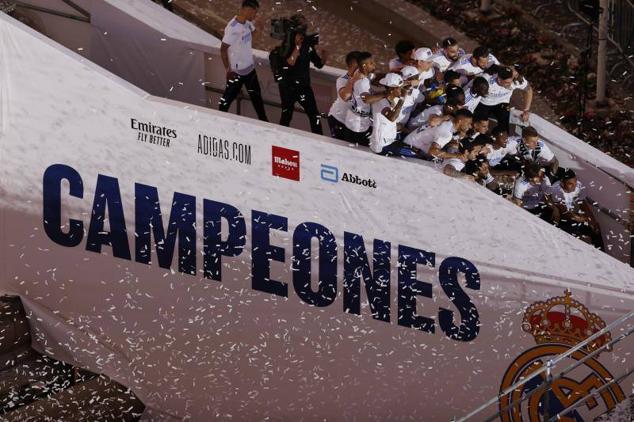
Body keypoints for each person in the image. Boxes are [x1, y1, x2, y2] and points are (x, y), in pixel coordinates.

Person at [270, 14, 328, 134]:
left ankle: (319, 140)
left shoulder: (307, 45)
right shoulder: (284, 47)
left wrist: (324, 56)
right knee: (287, 115)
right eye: (301, 26)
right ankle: (280, 137)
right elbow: (289, 63)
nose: (304, 30)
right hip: (287, 87)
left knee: (314, 116)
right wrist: (297, 47)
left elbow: (318, 64)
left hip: (304, 87)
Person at [218, 0, 268, 122]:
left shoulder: (247, 23)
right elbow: (223, 49)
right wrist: (227, 70)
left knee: (257, 101)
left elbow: (251, 38)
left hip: (250, 70)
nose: (255, 16)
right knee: (225, 102)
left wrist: (260, 29)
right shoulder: (232, 28)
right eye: (254, 13)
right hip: (236, 72)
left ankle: (265, 124)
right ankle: (218, 123)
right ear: (247, 10)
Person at [548, 169, 604, 249]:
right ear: (562, 183)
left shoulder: (578, 186)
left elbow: (583, 204)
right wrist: (582, 219)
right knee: (573, 228)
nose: (574, 186)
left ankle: (601, 254)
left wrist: (592, 221)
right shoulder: (556, 190)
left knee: (595, 230)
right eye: (570, 184)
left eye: (575, 182)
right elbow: (565, 213)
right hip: (561, 218)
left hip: (574, 215)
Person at [474, 66, 532, 132]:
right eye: (507, 82)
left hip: (502, 103)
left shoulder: (516, 80)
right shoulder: (486, 80)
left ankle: (497, 133)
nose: (510, 84)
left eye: (511, 81)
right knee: (481, 128)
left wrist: (526, 110)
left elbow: (529, 90)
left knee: (504, 132)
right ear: (499, 79)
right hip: (484, 103)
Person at [344, 52, 384, 145]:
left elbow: (374, 76)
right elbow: (366, 99)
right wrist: (384, 94)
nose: (374, 64)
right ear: (364, 66)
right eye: (371, 63)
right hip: (357, 125)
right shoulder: (362, 82)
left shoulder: (360, 73)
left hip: (354, 120)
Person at [403, 109, 473, 160]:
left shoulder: (448, 121)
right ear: (460, 121)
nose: (470, 126)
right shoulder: (447, 132)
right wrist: (457, 156)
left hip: (409, 145)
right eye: (468, 123)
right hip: (408, 151)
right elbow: (433, 152)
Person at [328, 51, 362, 140]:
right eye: (357, 66)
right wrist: (353, 78)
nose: (361, 69)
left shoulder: (365, 78)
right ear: (350, 66)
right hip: (338, 119)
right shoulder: (342, 80)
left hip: (352, 122)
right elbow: (346, 96)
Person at [370, 73, 405, 153]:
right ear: (392, 89)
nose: (401, 90)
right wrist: (402, 99)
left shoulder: (393, 100)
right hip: (381, 145)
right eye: (399, 88)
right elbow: (392, 117)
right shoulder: (381, 101)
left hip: (389, 140)